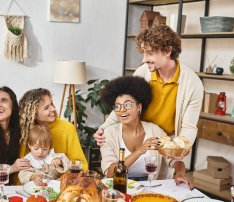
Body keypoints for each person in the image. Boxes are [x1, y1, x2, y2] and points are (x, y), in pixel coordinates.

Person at [95, 25, 203, 157]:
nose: (144, 59)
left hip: (166, 145)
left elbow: (189, 127)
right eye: (144, 53)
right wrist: (103, 128)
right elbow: (124, 104)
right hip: (137, 137)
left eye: (150, 53)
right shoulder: (142, 73)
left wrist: (181, 147)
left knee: (161, 178)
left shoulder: (193, 83)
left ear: (168, 50)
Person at [100, 76, 191, 188]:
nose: (122, 110)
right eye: (117, 106)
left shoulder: (155, 131)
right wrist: (140, 150)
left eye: (127, 105)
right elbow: (110, 172)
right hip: (118, 188)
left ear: (139, 107)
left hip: (148, 188)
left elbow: (174, 161)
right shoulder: (109, 134)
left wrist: (180, 174)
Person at [19, 88, 88, 180]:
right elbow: (22, 169)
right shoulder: (26, 131)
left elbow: (79, 164)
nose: (53, 109)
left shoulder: (67, 128)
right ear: (34, 113)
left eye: (51, 104)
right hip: (32, 186)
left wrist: (62, 179)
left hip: (61, 184)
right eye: (46, 108)